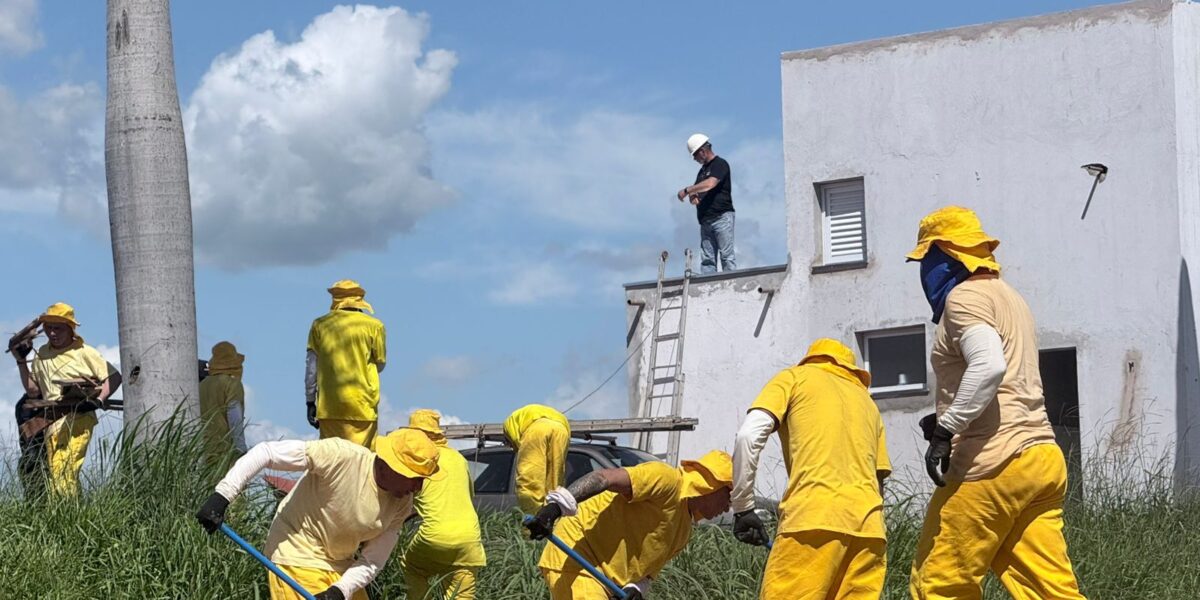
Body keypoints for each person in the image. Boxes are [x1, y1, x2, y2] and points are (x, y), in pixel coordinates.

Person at [905, 206, 1086, 599]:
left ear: (945, 255)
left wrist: (947, 429)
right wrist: (943, 417)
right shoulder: (1011, 298)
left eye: (926, 259)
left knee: (939, 583)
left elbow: (989, 367)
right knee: (1048, 590)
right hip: (1041, 458)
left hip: (991, 463)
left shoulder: (964, 298)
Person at [195, 428, 440, 600]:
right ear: (389, 465)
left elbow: (373, 560)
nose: (417, 487)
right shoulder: (341, 456)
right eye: (414, 478)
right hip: (296, 555)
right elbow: (266, 453)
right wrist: (223, 496)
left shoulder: (402, 504)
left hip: (341, 567)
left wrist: (341, 590)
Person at [731, 338, 890, 600]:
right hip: (870, 533)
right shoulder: (867, 403)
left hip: (812, 521)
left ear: (811, 358)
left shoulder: (794, 378)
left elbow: (747, 436)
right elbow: (879, 477)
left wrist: (743, 508)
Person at [527, 449, 734, 600]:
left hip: (608, 580)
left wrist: (635, 588)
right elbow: (604, 478)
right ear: (712, 484)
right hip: (577, 554)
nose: (728, 507)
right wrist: (555, 507)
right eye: (729, 496)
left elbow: (647, 574)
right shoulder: (667, 480)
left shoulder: (684, 531)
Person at [11, 303, 121, 497]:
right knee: (55, 473)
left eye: (58, 328)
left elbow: (113, 377)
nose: (52, 333)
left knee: (64, 471)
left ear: (70, 329)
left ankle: (66, 515)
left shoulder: (85, 352)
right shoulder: (42, 354)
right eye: (48, 328)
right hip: (51, 421)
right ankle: (70, 517)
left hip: (78, 417)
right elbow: (34, 390)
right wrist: (21, 361)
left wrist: (100, 399)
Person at [399, 409, 486, 600]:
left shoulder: (417, 458)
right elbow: (466, 498)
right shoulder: (459, 458)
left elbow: (405, 499)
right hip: (469, 539)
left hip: (433, 537)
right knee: (461, 595)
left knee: (413, 568)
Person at [305, 279, 387, 449]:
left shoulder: (320, 325)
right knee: (363, 462)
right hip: (363, 405)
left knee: (332, 462)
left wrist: (310, 401)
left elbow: (311, 368)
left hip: (330, 407)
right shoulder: (375, 326)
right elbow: (380, 363)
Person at [676, 133, 736, 274]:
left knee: (726, 257)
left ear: (702, 151)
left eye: (695, 156)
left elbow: (710, 183)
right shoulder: (701, 172)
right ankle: (709, 288)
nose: (695, 159)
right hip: (706, 220)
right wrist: (693, 196)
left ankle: (731, 285)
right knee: (707, 260)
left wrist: (687, 190)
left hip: (721, 217)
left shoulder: (720, 164)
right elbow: (696, 193)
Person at [503, 404, 571, 515]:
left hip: (537, 430)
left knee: (530, 479)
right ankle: (552, 518)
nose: (511, 447)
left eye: (508, 443)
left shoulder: (511, 428)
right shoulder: (521, 418)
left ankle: (534, 523)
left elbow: (529, 480)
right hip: (562, 429)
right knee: (555, 481)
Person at [198, 341, 247, 467]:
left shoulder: (202, 385)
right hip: (225, 453)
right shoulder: (233, 384)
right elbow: (234, 418)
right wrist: (242, 451)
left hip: (204, 450)